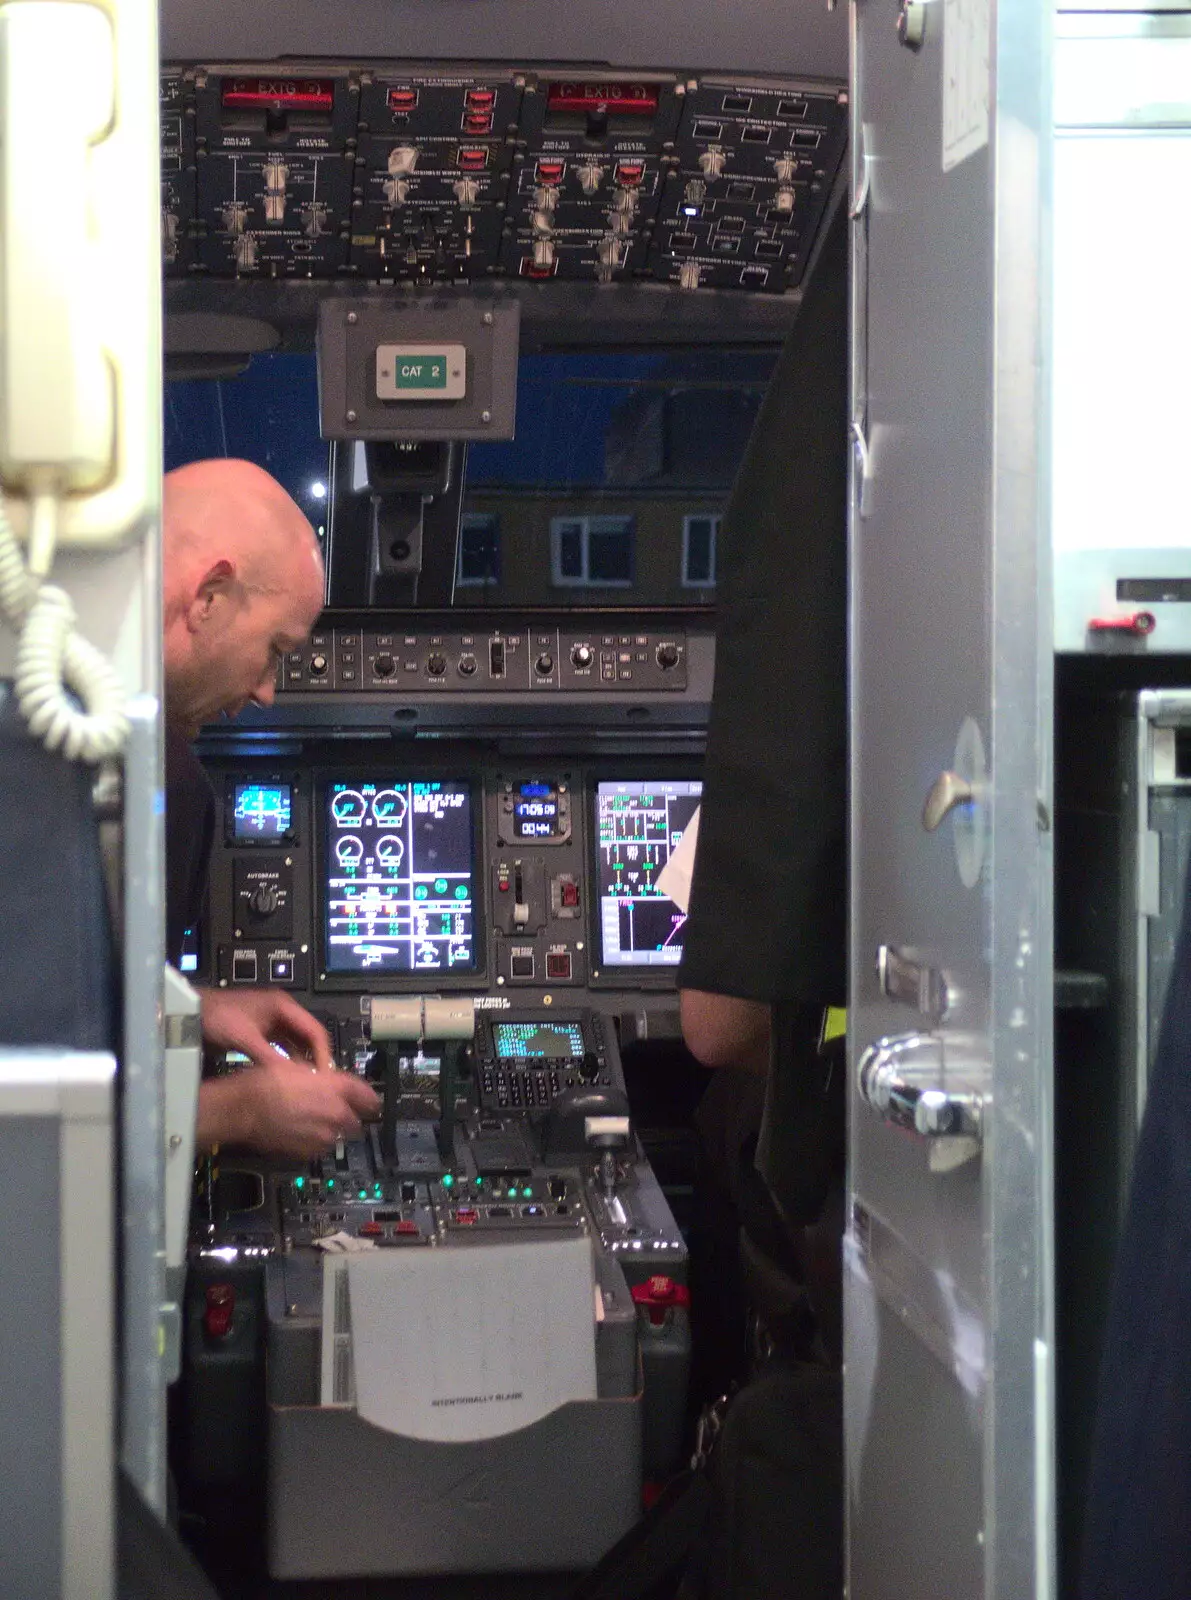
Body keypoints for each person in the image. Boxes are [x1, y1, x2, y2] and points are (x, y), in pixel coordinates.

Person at [162, 458, 380, 1157]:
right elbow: (37, 1108)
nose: (265, 692)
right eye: (273, 650)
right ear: (209, 597)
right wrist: (234, 1112)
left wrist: (190, 1010)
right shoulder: (71, 770)